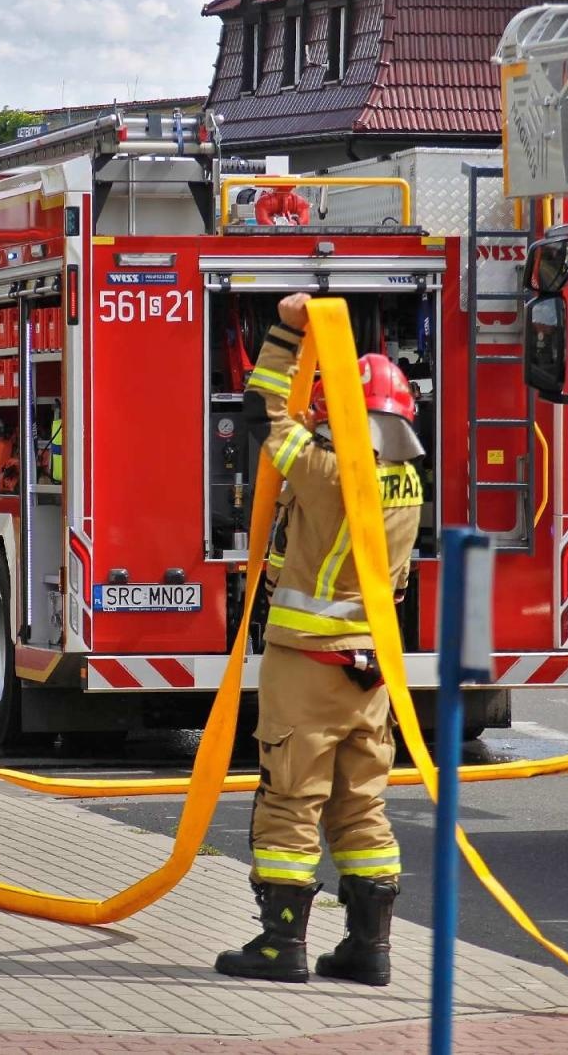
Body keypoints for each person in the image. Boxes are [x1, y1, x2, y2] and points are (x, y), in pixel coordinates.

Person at [215, 292, 424, 987]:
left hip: (306, 664)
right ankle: (370, 949)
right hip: (369, 675)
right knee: (360, 805)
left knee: (291, 797)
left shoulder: (325, 472)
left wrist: (284, 332)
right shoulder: (407, 483)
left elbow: (262, 411)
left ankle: (282, 946)